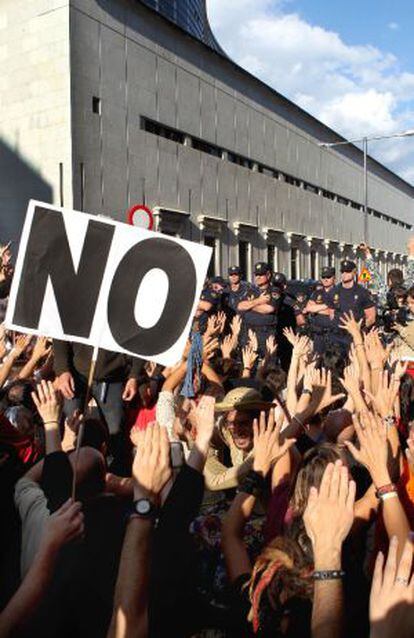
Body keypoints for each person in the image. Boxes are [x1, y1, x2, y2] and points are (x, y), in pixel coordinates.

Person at [53, 342, 143, 472]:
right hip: (76, 374)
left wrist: (134, 375)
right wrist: (62, 370)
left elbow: (141, 338)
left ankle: (114, 476)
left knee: (116, 432)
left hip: (112, 376)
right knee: (71, 427)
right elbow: (60, 333)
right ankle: (69, 474)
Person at [326, 259, 376, 351]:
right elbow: (331, 313)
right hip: (336, 337)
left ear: (354, 273)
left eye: (348, 271)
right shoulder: (333, 292)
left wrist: (359, 328)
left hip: (354, 336)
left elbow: (371, 317)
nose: (344, 274)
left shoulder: (362, 292)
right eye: (342, 271)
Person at [237, 262, 281, 359]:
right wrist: (259, 301)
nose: (258, 277)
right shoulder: (250, 290)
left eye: (261, 274)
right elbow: (240, 306)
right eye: (256, 274)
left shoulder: (274, 291)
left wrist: (250, 304)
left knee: (265, 366)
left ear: (268, 275)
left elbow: (269, 309)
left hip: (265, 333)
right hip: (248, 332)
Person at [305, 266, 336, 353]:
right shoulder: (317, 293)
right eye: (323, 277)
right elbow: (308, 308)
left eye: (328, 277)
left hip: (332, 334)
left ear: (334, 278)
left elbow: (333, 312)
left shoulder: (338, 292)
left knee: (332, 362)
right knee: (317, 360)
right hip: (318, 334)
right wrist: (326, 305)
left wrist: (316, 308)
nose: (325, 279)